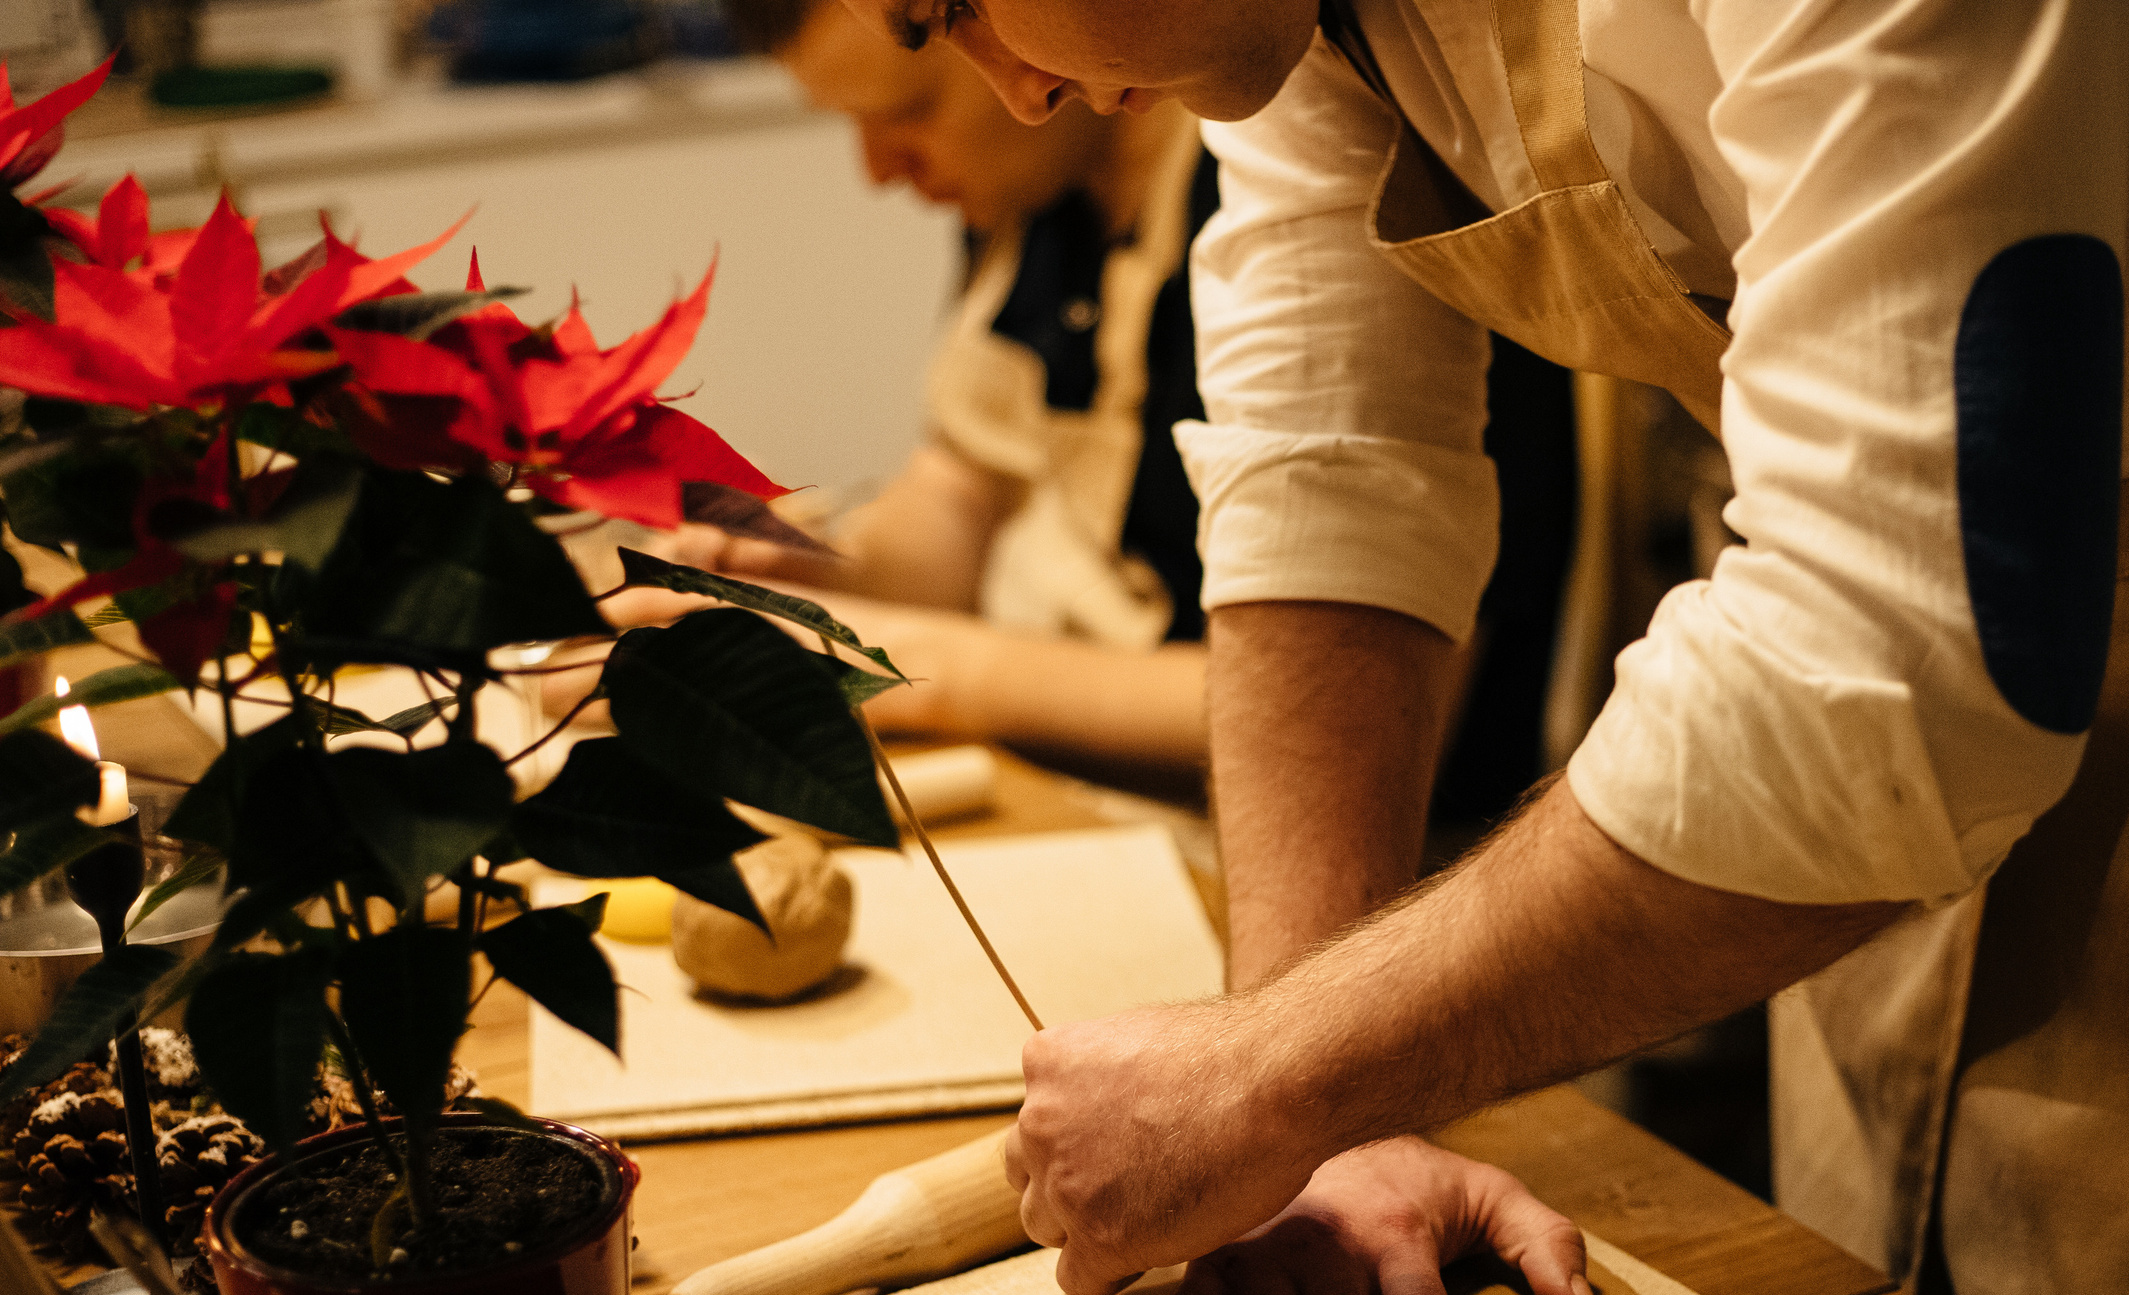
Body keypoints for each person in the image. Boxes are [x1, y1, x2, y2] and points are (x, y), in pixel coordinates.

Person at [923, 0, 2129, 1295]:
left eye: (948, 6)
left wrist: (1274, 1076)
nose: (1011, 87)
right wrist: (1308, 1129)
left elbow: (1898, 664)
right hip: (1866, 642)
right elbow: (1330, 458)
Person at [652, 0, 1574, 818]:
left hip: (1348, 838)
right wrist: (804, 567)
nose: (877, 171)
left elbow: (1353, 690)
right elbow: (963, 488)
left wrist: (925, 667)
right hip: (1084, 795)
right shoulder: (1038, 195)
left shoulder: (1304, 164)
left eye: (909, 104)